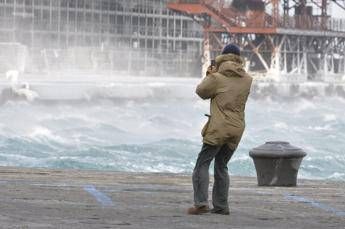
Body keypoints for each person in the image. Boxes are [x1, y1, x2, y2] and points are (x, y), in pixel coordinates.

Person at [187, 44, 252, 215]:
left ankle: (201, 203)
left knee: (202, 164)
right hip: (237, 128)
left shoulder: (217, 77)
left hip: (219, 128)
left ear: (222, 57)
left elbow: (201, 92)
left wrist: (210, 74)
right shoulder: (247, 79)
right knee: (222, 165)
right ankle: (222, 206)